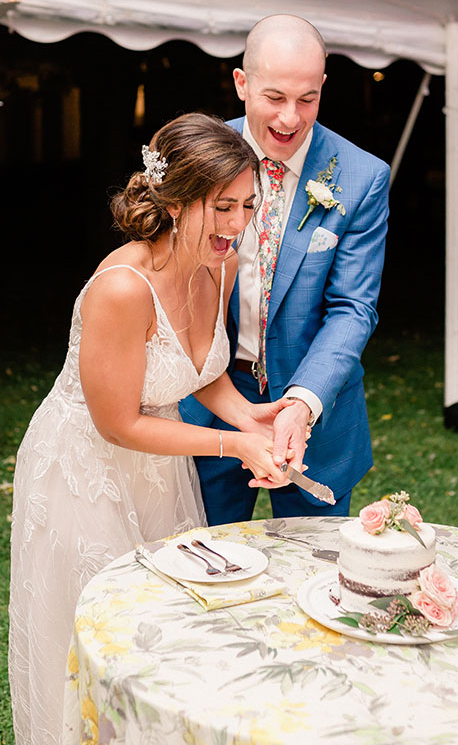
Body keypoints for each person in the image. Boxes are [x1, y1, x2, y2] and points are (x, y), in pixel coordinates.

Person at [8, 113, 294, 745]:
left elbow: (196, 367)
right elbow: (117, 423)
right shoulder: (121, 288)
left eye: (249, 205)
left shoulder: (216, 262)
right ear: (174, 201)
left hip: (158, 464)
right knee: (100, 644)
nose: (239, 224)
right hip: (86, 470)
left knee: (162, 637)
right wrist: (231, 442)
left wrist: (251, 417)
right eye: (222, 207)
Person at [181, 15, 390, 523]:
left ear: (322, 86)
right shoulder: (197, 160)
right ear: (242, 83)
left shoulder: (362, 178)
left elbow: (353, 308)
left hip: (316, 406)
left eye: (307, 99)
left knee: (313, 572)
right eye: (274, 98)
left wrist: (302, 403)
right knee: (204, 561)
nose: (291, 118)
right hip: (211, 398)